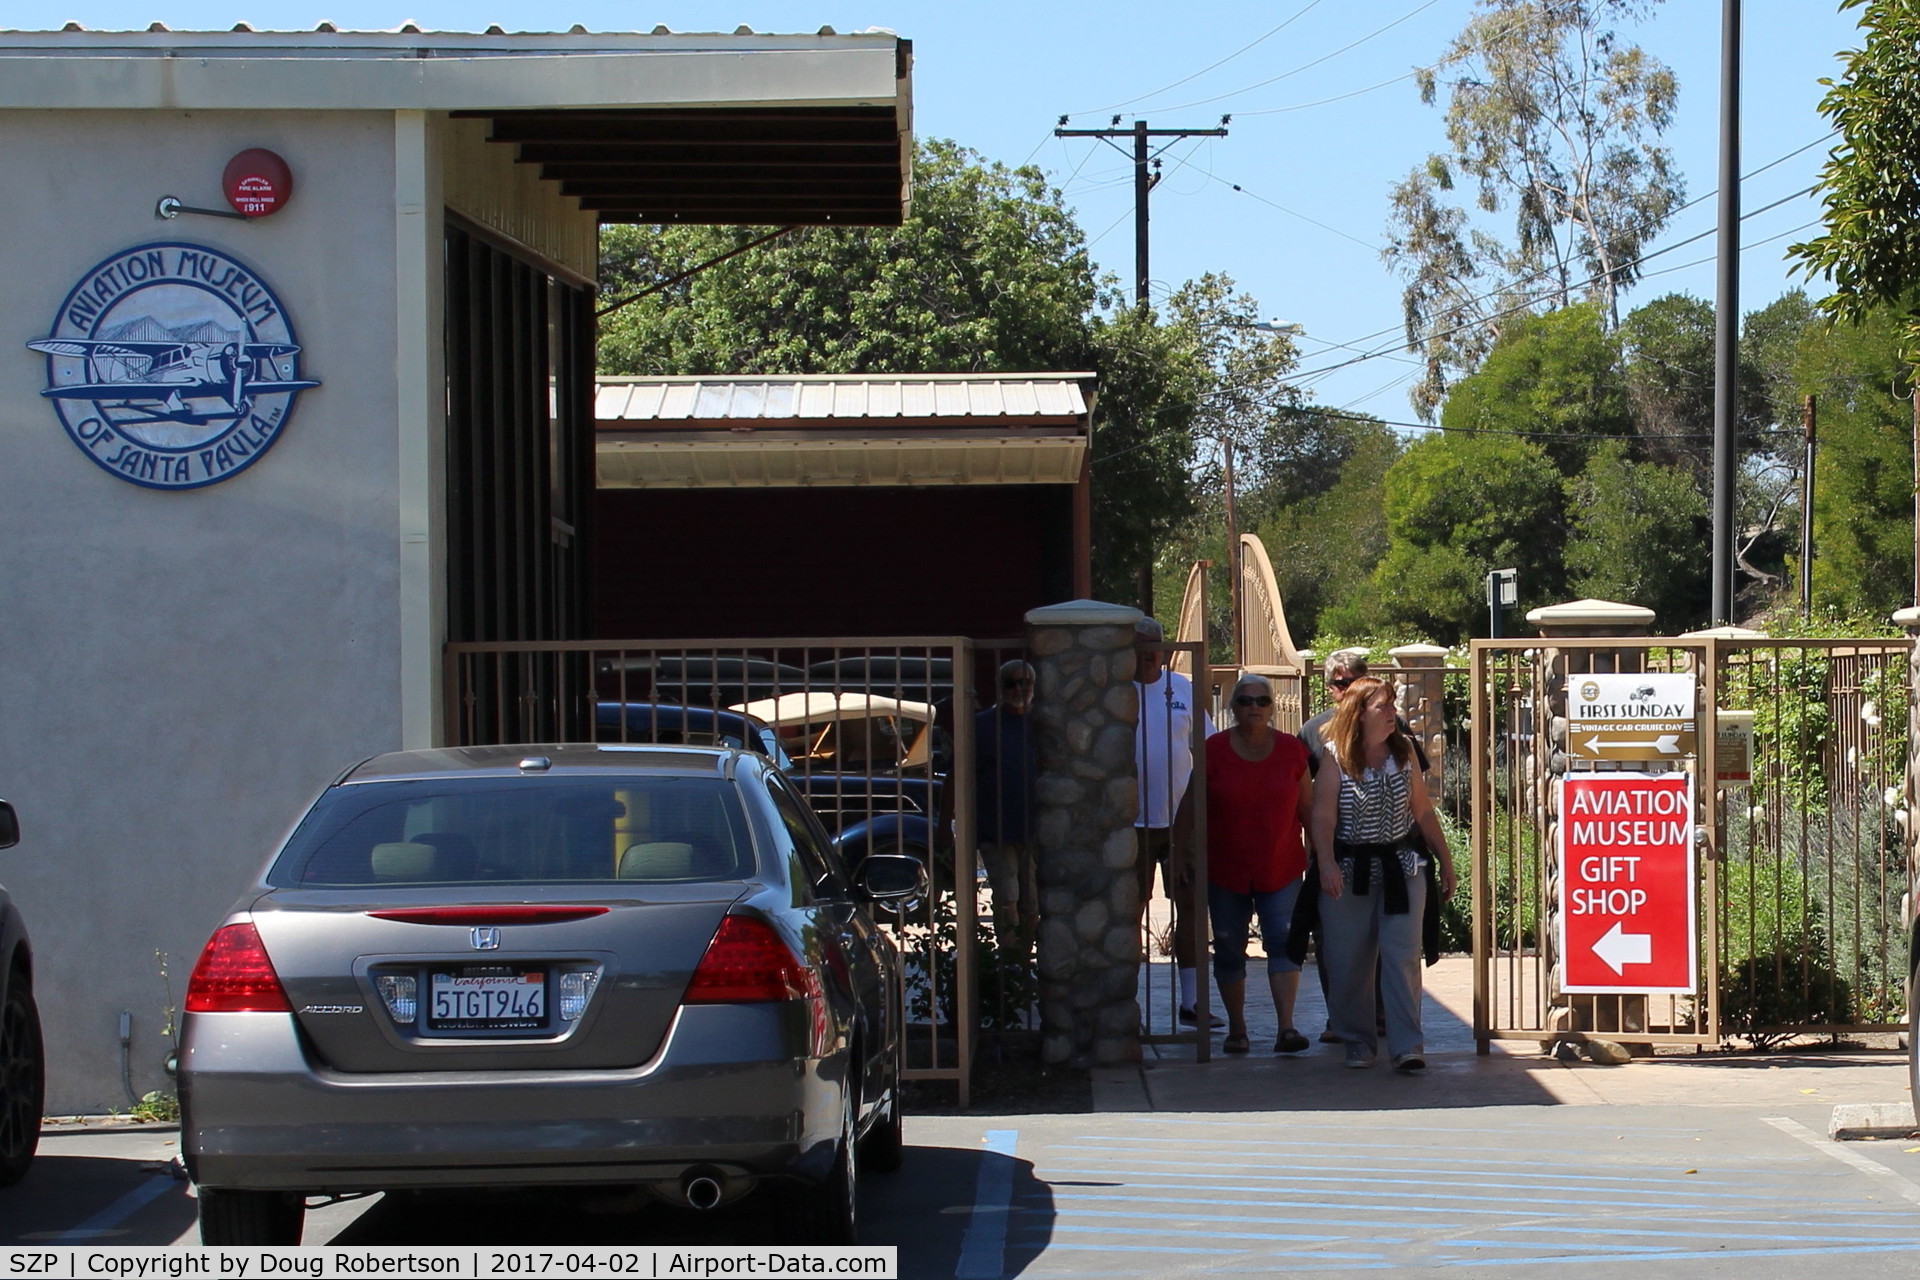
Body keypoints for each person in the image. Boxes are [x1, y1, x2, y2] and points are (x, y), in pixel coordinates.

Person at [1310, 676, 1456, 1074]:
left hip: (1402, 868)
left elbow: (1423, 811)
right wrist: (1325, 864)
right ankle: (1357, 1041)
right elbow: (1322, 818)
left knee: (1402, 957)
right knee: (1349, 960)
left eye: (1392, 705)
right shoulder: (1335, 756)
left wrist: (1444, 859)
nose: (1393, 713)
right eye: (1384, 707)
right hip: (1349, 871)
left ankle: (1408, 1045)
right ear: (1359, 714)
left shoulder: (1404, 751)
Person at [1180, 673, 1313, 1055]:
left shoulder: (1291, 750)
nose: (1253, 707)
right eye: (1244, 700)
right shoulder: (1214, 750)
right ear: (1232, 707)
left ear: (1272, 708)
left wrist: (1322, 855)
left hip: (1281, 866)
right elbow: (1189, 806)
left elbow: (1309, 809)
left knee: (1284, 944)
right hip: (1225, 869)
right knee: (1227, 948)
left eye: (1261, 701)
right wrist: (1180, 855)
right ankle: (1237, 1030)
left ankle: (1286, 1028)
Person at [1132, 616, 1215, 1025]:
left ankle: (1193, 1003)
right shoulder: (1114, 694)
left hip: (1182, 823)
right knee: (1129, 912)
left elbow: (1209, 749)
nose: (1149, 651)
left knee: (1191, 910)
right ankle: (1126, 1006)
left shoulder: (1181, 688)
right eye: (1140, 644)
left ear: (1165, 649)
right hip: (1132, 825)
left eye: (1155, 644)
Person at [976, 659, 1037, 960]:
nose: (1018, 689)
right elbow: (959, 776)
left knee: (1033, 902)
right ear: (1000, 688)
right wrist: (947, 825)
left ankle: (1024, 958)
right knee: (1007, 899)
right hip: (995, 829)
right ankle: (1012, 961)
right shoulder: (982, 725)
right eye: (1010, 683)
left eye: (1024, 682)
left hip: (1036, 829)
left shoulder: (1043, 724)